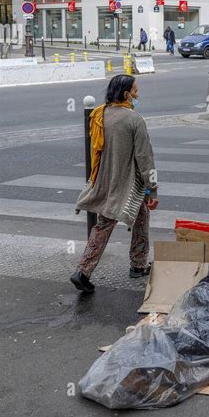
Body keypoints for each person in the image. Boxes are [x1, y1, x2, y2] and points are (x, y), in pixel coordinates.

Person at [71, 75, 158, 292]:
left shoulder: (100, 114)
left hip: (105, 179)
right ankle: (83, 271)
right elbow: (145, 158)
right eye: (135, 91)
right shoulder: (134, 119)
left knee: (137, 219)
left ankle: (137, 264)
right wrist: (153, 188)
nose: (138, 94)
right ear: (126, 94)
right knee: (110, 224)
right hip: (127, 186)